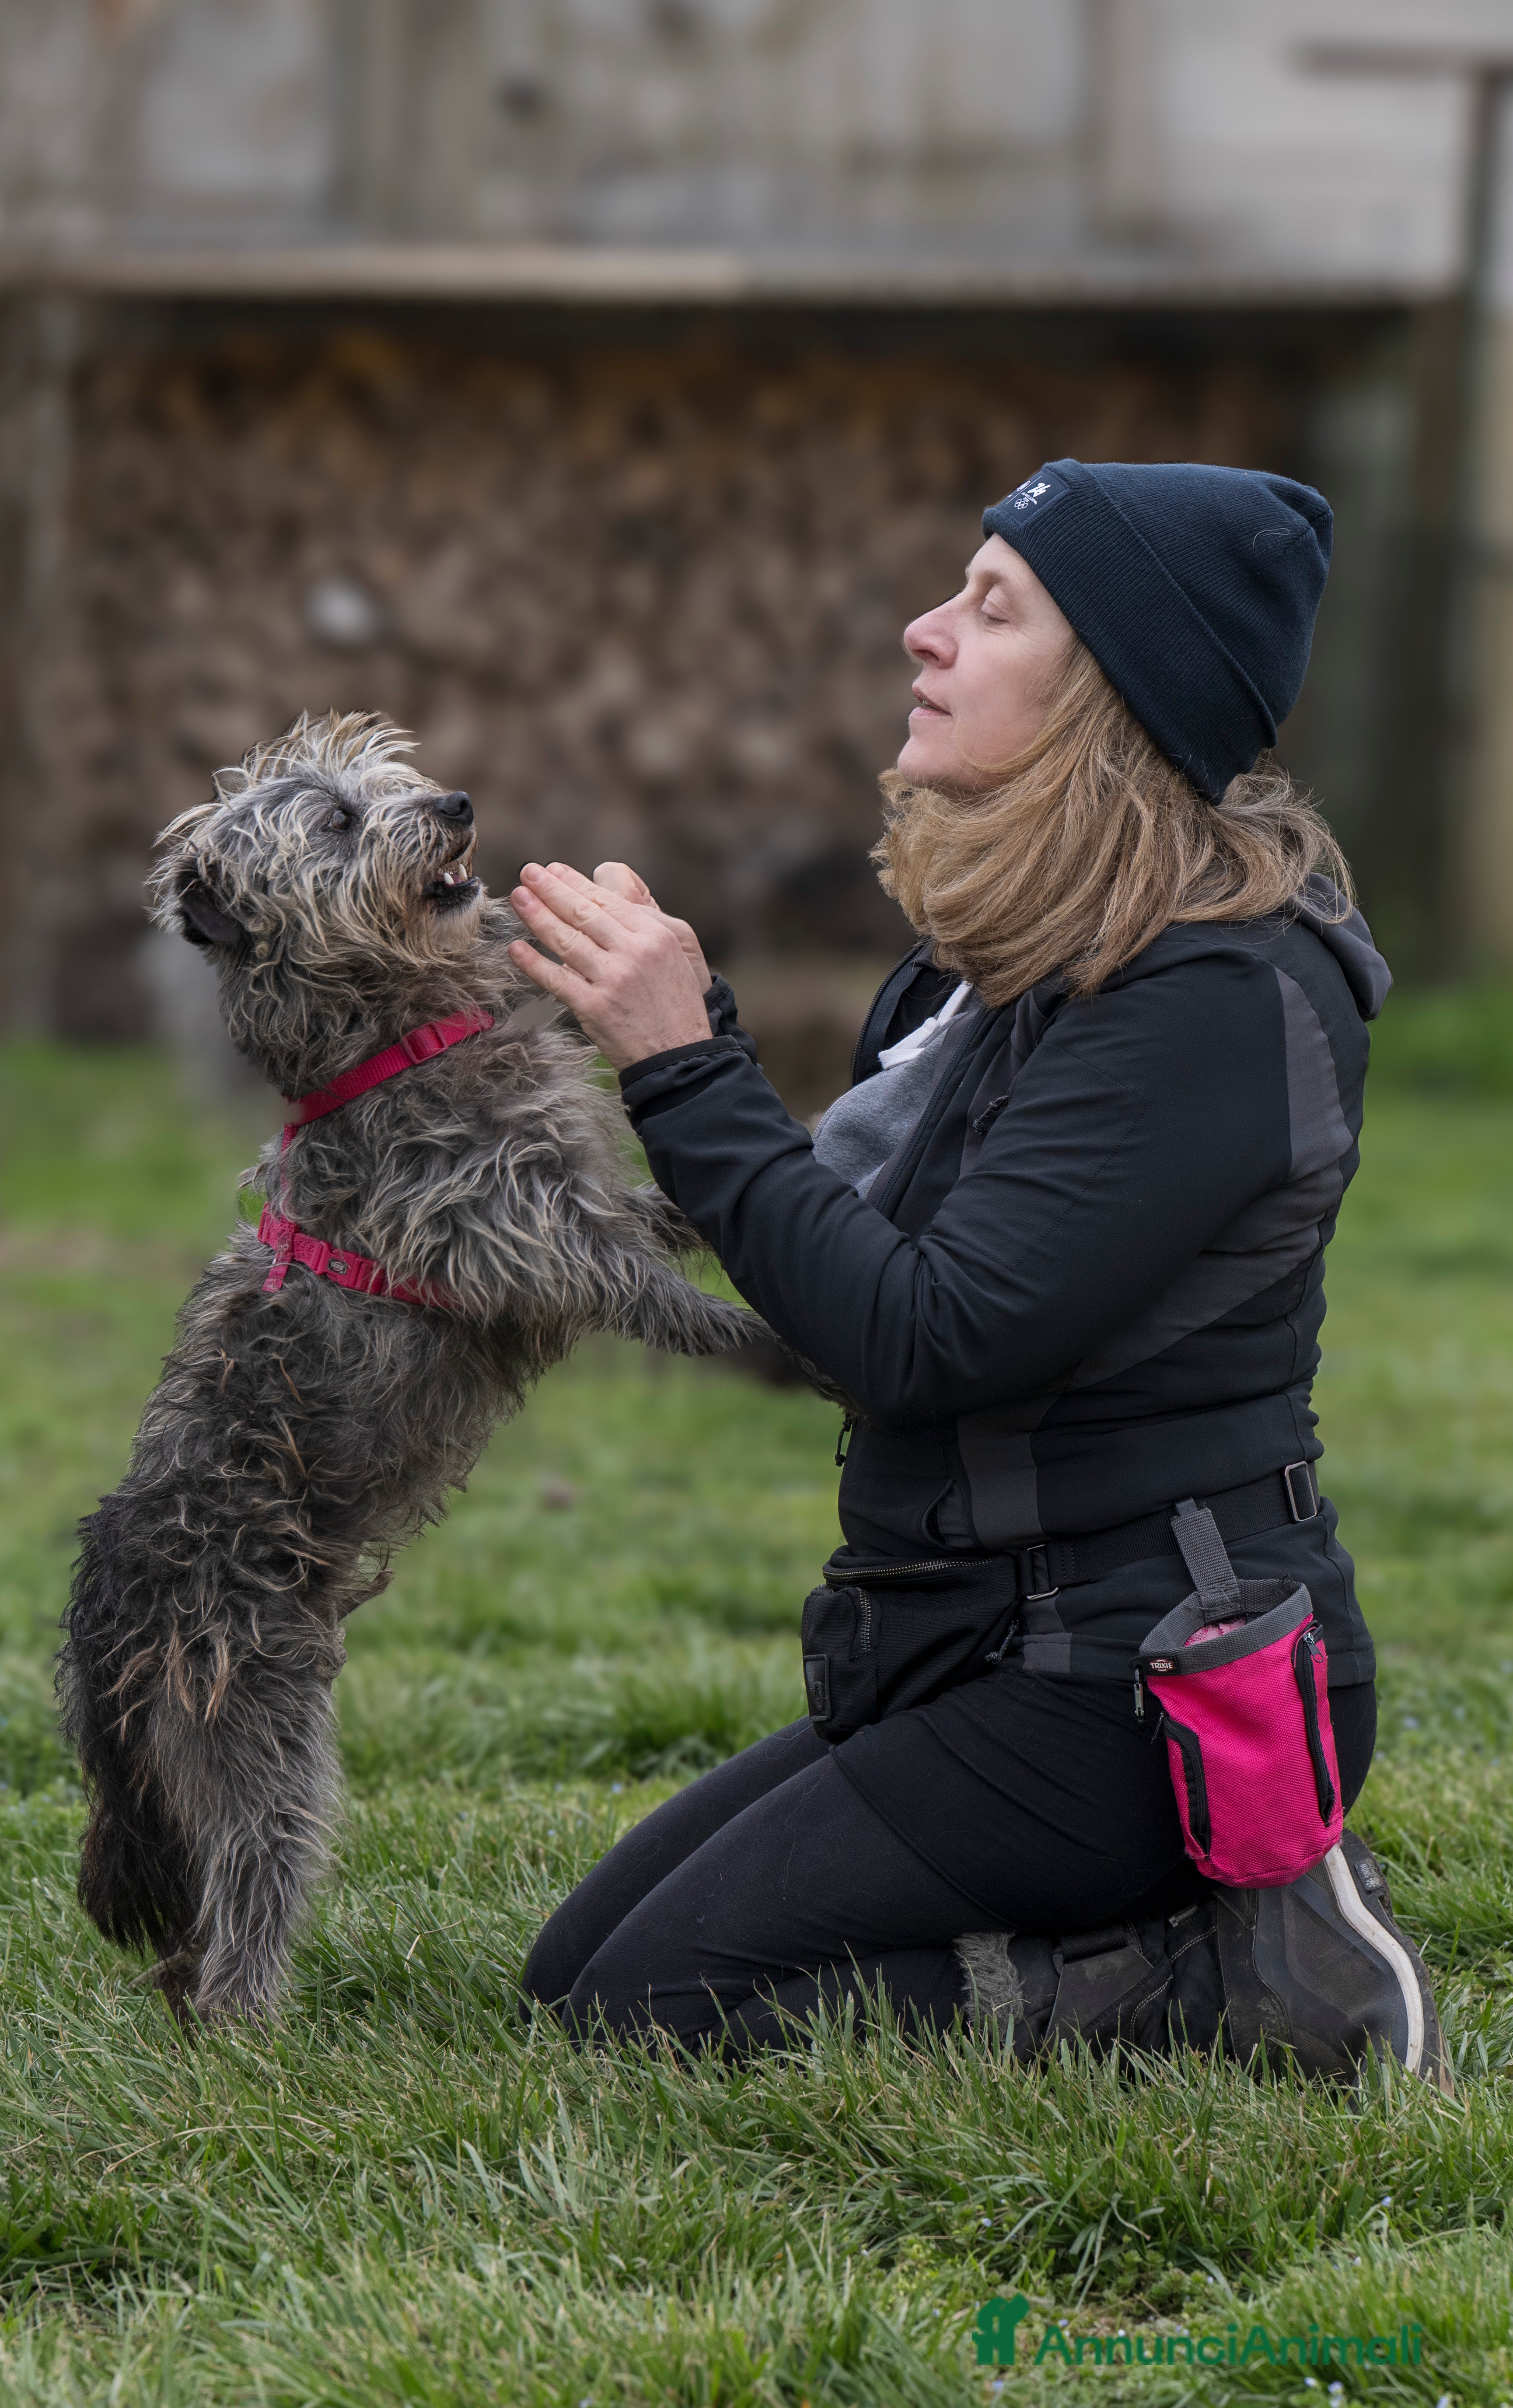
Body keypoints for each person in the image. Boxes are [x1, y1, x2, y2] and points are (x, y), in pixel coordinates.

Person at [509, 458, 1447, 2087]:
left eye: (993, 607)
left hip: (1145, 1684)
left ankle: (1229, 1972)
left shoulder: (1220, 996)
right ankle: (1161, 1939)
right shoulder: (1008, 972)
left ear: (1114, 690)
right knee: (575, 1971)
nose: (924, 633)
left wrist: (682, 1066)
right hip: (973, 1640)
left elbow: (923, 1340)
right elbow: (842, 1275)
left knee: (650, 2015)